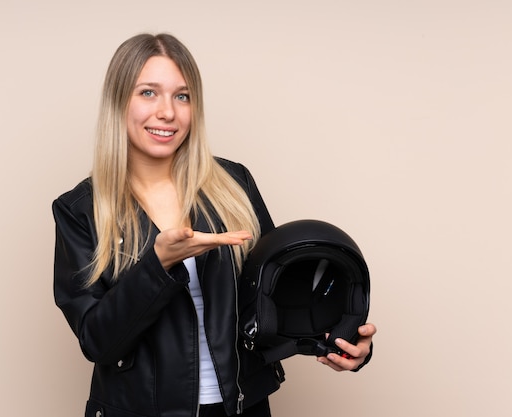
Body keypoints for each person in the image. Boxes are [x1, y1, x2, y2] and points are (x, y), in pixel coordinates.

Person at [52, 33, 376, 417]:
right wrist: (158, 267)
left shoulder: (233, 184)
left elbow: (275, 300)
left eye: (182, 96)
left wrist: (340, 341)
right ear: (118, 101)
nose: (168, 112)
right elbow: (98, 342)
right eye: (148, 93)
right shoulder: (81, 210)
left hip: (241, 407)